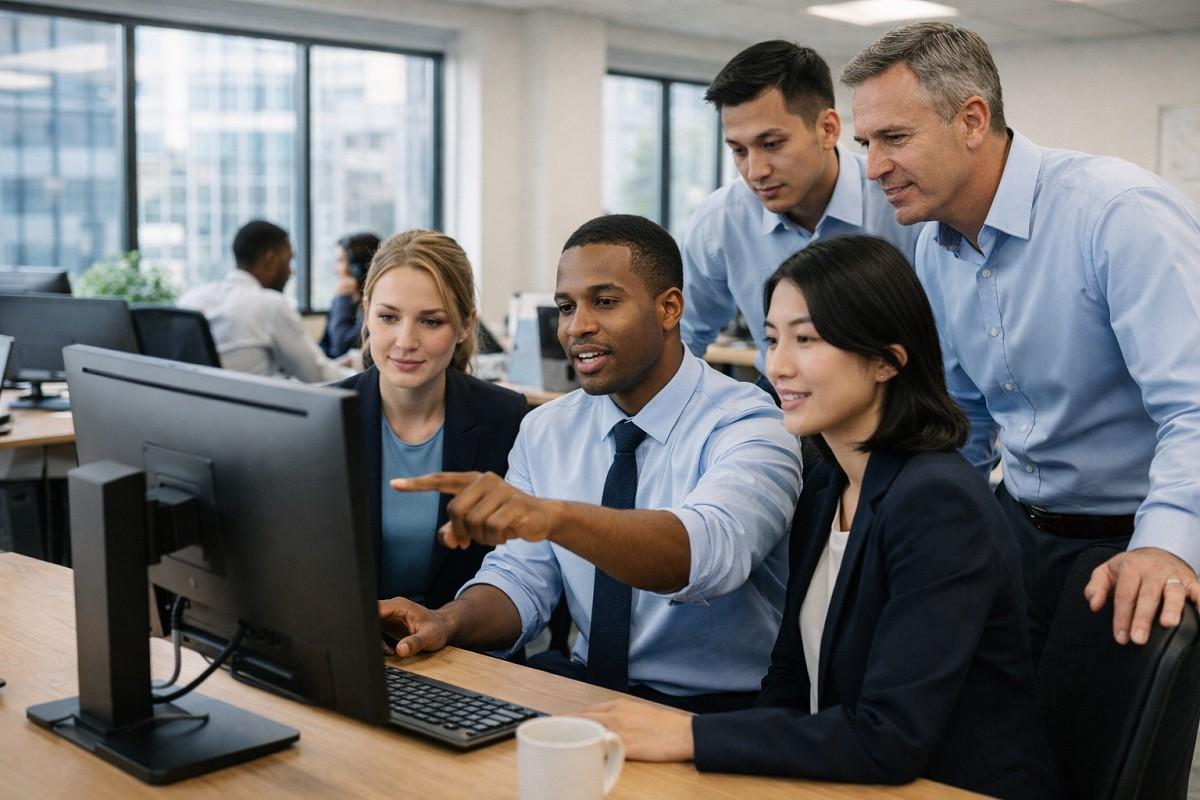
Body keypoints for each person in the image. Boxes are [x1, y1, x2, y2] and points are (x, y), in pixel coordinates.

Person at [582, 236, 1063, 798]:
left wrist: (691, 734)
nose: (777, 366)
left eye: (805, 339)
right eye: (771, 339)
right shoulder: (828, 484)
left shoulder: (938, 504)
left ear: (887, 360)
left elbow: (889, 736)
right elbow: (789, 678)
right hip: (843, 778)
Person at [842, 22, 1200, 654]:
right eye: (866, 141)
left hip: (1134, 541)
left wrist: (1166, 544)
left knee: (1109, 751)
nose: (873, 168)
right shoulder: (934, 246)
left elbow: (1193, 407)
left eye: (894, 138)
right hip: (1015, 528)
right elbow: (965, 419)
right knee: (1000, 744)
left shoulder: (1117, 214)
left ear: (973, 119)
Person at [379, 214, 803, 713]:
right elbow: (521, 580)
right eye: (565, 306)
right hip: (585, 692)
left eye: (604, 302)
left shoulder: (751, 423)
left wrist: (552, 517)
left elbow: (704, 554)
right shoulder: (547, 428)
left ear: (669, 309)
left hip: (718, 710)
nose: (577, 327)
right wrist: (446, 621)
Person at [680, 40, 921, 390]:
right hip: (783, 403)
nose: (755, 170)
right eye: (738, 150)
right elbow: (684, 339)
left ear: (827, 129)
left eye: (772, 144)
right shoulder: (718, 222)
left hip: (897, 399)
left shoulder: (901, 205)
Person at [333, 230, 527, 607]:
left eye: (431, 322)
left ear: (465, 324)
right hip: (352, 646)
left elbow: (523, 569)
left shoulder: (506, 418)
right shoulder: (324, 417)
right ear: (367, 311)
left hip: (464, 650)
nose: (405, 340)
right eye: (388, 317)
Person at [178, 220, 348, 383]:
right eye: (288, 261)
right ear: (270, 259)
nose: (290, 272)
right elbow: (317, 374)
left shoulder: (191, 299)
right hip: (253, 408)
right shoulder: (270, 304)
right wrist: (361, 376)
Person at [319, 231, 381, 359]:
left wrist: (343, 299)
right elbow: (324, 344)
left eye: (340, 261)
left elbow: (341, 346)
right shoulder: (349, 298)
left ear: (357, 268)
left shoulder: (375, 301)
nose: (335, 269)